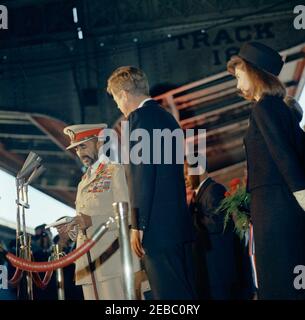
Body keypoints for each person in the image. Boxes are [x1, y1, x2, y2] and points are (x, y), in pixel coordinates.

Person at [107, 66, 196, 299]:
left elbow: (141, 175)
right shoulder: (167, 117)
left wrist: (138, 224)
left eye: (116, 98)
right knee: (181, 292)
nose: (117, 105)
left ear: (124, 94)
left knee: (168, 296)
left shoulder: (138, 119)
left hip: (156, 227)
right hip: (175, 225)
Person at [227, 42, 305, 299]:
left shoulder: (264, 108)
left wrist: (303, 195)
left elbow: (282, 153)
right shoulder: (278, 107)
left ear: (254, 72)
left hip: (275, 210)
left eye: (239, 76)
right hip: (279, 205)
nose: (238, 85)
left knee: (279, 280)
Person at [58, 123, 140, 300]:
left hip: (113, 263)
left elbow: (127, 217)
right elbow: (84, 221)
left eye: (83, 146)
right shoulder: (82, 182)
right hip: (88, 267)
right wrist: (73, 229)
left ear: (100, 143)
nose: (80, 153)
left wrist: (91, 221)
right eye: (77, 148)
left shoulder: (115, 171)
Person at [185, 161, 254, 300]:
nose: (185, 178)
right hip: (212, 272)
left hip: (219, 272)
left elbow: (216, 223)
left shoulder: (213, 189)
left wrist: (190, 218)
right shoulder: (200, 194)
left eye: (187, 173)